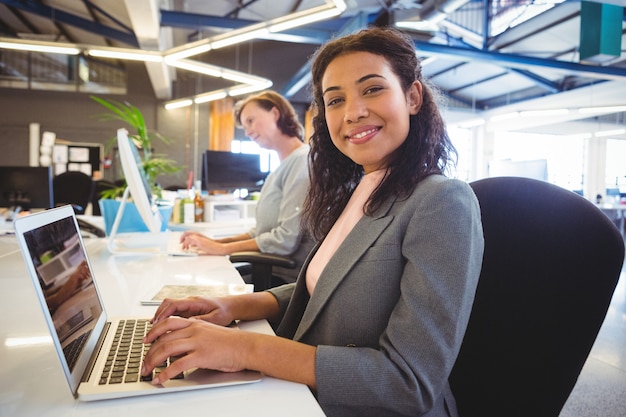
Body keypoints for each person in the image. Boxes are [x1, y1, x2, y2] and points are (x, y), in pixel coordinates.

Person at [141, 27, 484, 417]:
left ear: (413, 97)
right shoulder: (364, 187)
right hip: (302, 397)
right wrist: (230, 305)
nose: (352, 112)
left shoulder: (441, 201)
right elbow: (330, 286)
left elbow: (409, 382)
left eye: (372, 89)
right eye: (335, 100)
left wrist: (245, 348)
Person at [180, 90, 314, 284]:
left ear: (275, 114)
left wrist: (222, 249)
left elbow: (284, 240)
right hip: (271, 268)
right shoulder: (282, 166)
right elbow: (260, 232)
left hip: (286, 279)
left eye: (251, 121)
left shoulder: (302, 161)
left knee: (202, 283)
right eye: (244, 126)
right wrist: (215, 243)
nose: (247, 131)